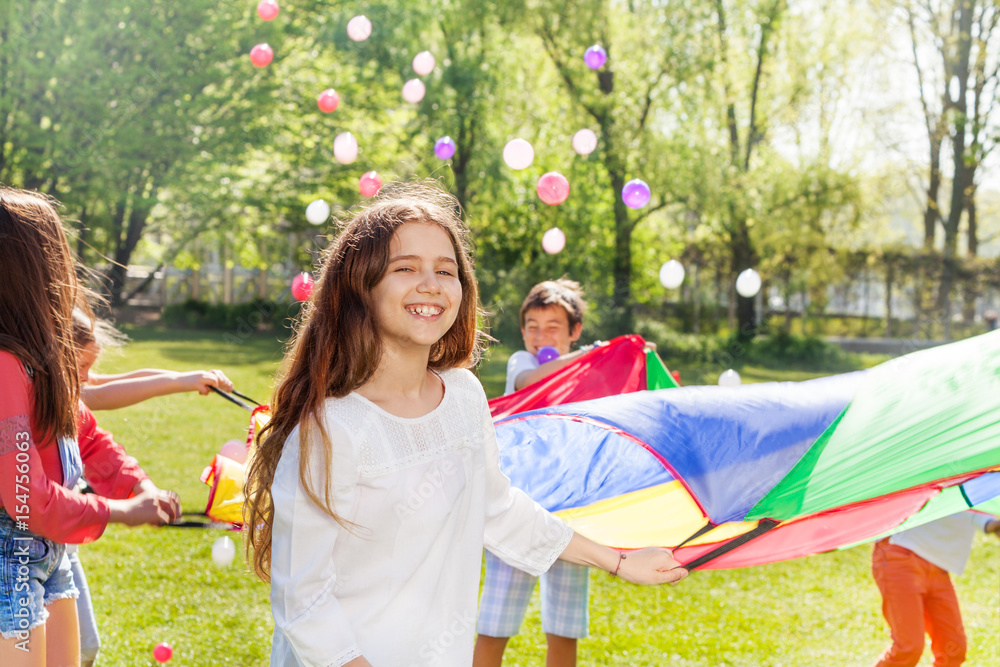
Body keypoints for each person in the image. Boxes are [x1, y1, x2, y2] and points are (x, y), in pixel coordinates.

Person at [242, 182, 688, 666]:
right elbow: (303, 600)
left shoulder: (463, 396)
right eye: (405, 268)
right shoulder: (330, 428)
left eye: (446, 270)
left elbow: (498, 509)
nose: (431, 284)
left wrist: (619, 562)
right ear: (360, 287)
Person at [0, 187, 180, 667]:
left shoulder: (44, 360)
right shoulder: (5, 367)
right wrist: (122, 512)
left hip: (48, 558)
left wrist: (142, 487)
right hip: (9, 565)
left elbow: (88, 438)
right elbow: (26, 499)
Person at [72, 309, 206, 667]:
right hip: (17, 551)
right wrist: (126, 511)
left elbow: (97, 445)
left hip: (56, 550)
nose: (88, 381)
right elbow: (41, 503)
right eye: (81, 369)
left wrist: (144, 489)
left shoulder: (70, 396)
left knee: (83, 650)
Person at [474, 279, 595, 667]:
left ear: (574, 332)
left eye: (553, 327)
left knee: (565, 623)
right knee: (496, 621)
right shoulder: (521, 363)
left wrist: (625, 359)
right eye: (532, 326)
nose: (540, 335)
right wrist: (590, 358)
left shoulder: (586, 373)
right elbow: (532, 383)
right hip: (518, 509)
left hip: (568, 510)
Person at [871, 512, 1000, 667]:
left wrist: (990, 523)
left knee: (953, 649)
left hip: (939, 566)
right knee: (908, 648)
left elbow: (970, 504)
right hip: (901, 552)